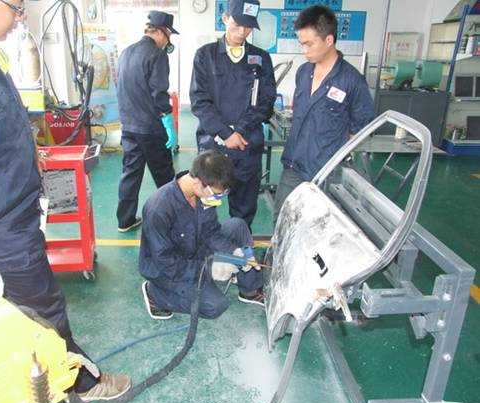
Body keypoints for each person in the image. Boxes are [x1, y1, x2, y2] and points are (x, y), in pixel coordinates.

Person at [0, 1, 130, 400]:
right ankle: (78, 384)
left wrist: (25, 147)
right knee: (42, 315)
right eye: (16, 6)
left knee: (23, 319)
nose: (21, 16)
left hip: (6, 214)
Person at [273, 5, 375, 223]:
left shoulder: (352, 81)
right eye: (301, 43)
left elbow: (359, 130)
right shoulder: (303, 72)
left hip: (326, 173)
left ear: (329, 40)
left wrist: (331, 156)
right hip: (293, 165)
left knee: (317, 228)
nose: (304, 50)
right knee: (281, 221)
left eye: (309, 44)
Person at [138, 150, 265, 320]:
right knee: (215, 306)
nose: (218, 198)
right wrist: (208, 269)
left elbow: (211, 232)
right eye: (217, 193)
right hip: (168, 269)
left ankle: (249, 289)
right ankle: (155, 294)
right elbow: (165, 262)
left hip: (194, 247)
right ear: (198, 182)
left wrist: (234, 251)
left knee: (238, 226)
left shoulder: (204, 194)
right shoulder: (159, 208)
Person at [190, 0, 276, 228]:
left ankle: (240, 242)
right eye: (237, 24)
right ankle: (205, 242)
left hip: (247, 144)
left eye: (248, 27)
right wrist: (225, 133)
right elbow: (199, 101)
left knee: (244, 206)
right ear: (225, 18)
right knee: (206, 202)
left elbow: (266, 102)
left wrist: (239, 131)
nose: (242, 32)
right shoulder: (205, 55)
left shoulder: (261, 58)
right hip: (213, 144)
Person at [116, 11, 179, 233]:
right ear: (162, 32)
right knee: (165, 176)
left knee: (130, 174)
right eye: (169, 36)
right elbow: (159, 93)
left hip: (129, 126)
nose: (168, 42)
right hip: (151, 128)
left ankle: (125, 221)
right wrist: (168, 120)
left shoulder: (126, 52)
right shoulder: (157, 55)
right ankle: (173, 219)